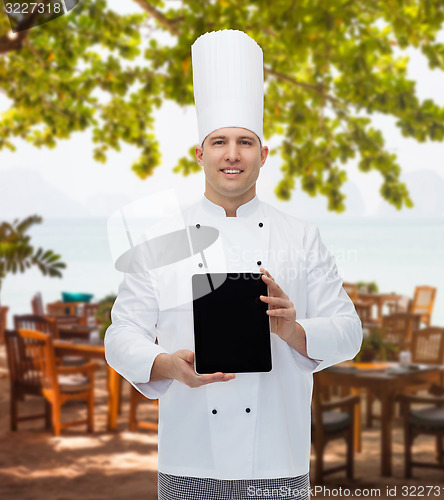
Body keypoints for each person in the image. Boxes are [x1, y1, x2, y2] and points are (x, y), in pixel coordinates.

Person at [105, 30, 362, 500]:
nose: (232, 154)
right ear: (200, 154)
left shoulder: (301, 237)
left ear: (263, 156)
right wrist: (165, 363)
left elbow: (350, 331)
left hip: (278, 461)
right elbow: (120, 335)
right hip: (189, 458)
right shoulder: (160, 239)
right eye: (219, 141)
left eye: (245, 142)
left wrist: (294, 331)